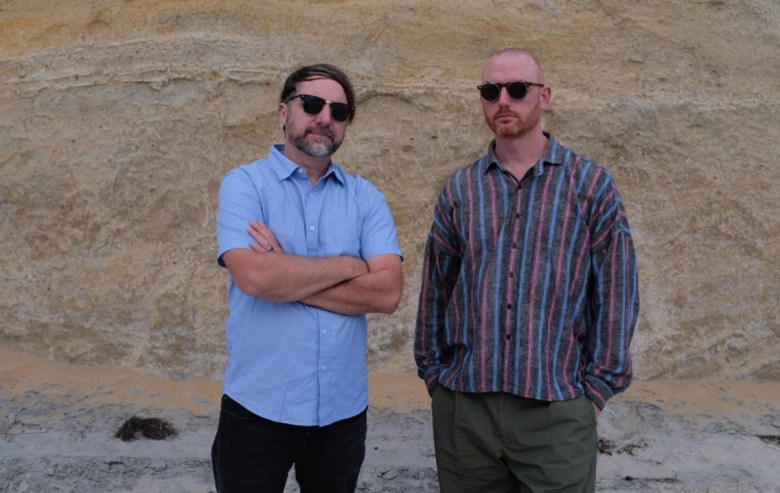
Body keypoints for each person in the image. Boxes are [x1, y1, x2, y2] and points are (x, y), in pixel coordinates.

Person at [414, 48, 639, 493]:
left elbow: (617, 291)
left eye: (517, 89)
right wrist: (435, 377)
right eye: (490, 90)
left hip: (556, 410)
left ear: (545, 95)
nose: (503, 100)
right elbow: (436, 289)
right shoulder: (461, 189)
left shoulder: (590, 185)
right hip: (466, 412)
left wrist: (594, 393)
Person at [212, 63, 403, 493]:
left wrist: (288, 269)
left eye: (339, 111)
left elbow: (388, 292)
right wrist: (351, 266)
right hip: (258, 409)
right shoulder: (244, 186)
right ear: (284, 111)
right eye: (312, 104)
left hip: (342, 414)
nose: (325, 118)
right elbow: (257, 278)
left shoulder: (365, 197)